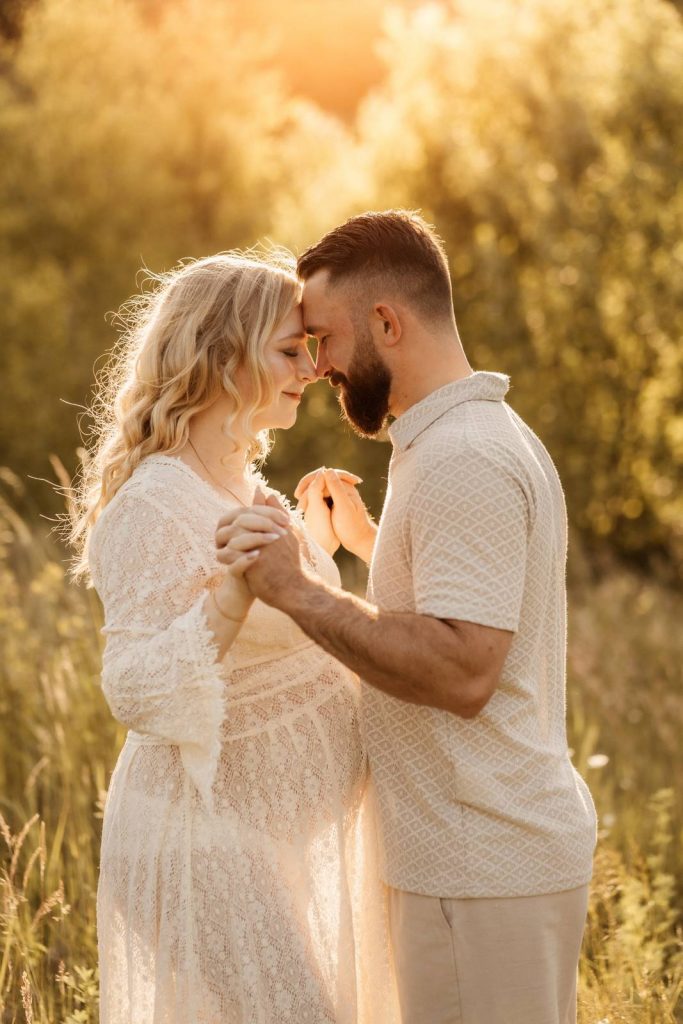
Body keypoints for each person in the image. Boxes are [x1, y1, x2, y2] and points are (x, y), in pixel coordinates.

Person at [219, 211, 598, 1024]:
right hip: (484, 858)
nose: (315, 364)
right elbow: (470, 606)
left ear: (386, 322)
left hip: (480, 863)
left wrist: (297, 588)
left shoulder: (462, 457)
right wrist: (366, 544)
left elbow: (463, 670)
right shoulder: (465, 437)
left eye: (320, 337)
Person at [69, 251, 400, 1024]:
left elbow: (289, 629)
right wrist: (230, 592)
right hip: (201, 843)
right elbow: (136, 687)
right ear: (220, 358)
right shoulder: (153, 502)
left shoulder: (247, 489)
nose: (313, 370)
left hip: (266, 841)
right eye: (289, 351)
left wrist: (331, 546)